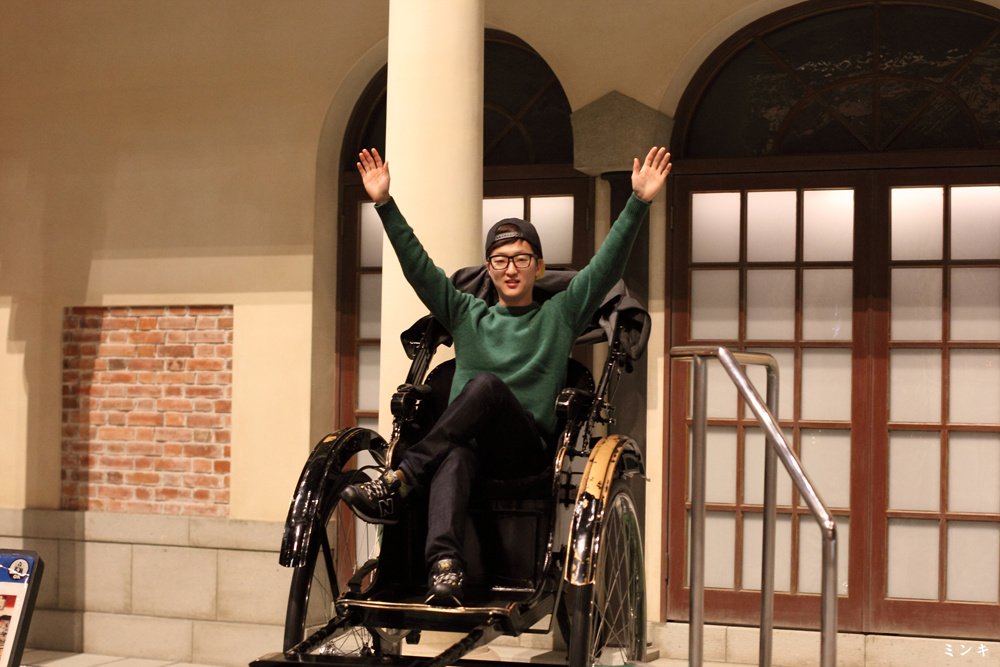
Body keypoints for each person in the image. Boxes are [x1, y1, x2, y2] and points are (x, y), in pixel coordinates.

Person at [342, 146, 671, 606]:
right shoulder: (466, 313)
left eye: (521, 258)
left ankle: (402, 479)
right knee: (455, 454)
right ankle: (445, 567)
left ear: (539, 266)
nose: (510, 268)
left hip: (525, 452)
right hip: (470, 449)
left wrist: (637, 201)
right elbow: (419, 269)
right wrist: (383, 203)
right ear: (488, 269)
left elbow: (604, 269)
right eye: (499, 260)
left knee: (486, 387)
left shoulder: (560, 314)